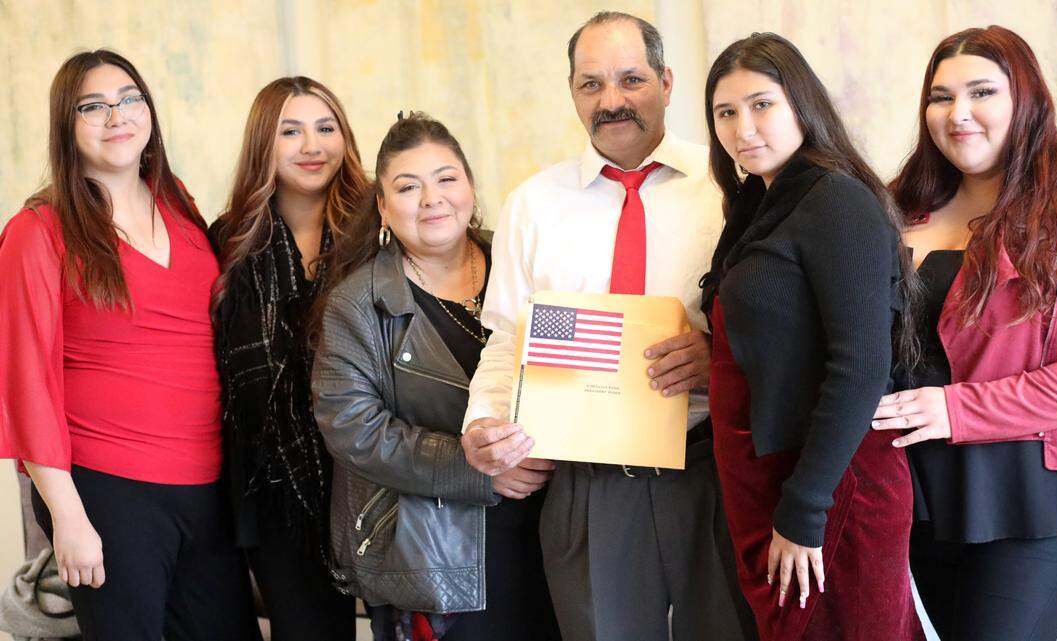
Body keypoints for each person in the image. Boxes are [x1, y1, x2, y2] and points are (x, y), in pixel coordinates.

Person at [459, 12, 755, 641]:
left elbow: (783, 328)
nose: (612, 101)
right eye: (591, 84)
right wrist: (482, 426)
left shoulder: (732, 186)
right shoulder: (532, 205)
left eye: (631, 79)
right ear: (571, 91)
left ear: (668, 82)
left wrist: (720, 357)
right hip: (586, 485)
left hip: (712, 470)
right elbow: (507, 340)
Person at [876, 25, 1057, 641]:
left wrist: (957, 408)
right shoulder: (895, 208)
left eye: (981, 92)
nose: (957, 114)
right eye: (940, 97)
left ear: (1026, 101)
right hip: (923, 488)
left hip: (1038, 488)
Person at [0, 50, 260, 641]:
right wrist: (68, 518)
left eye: (129, 98)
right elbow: (25, 381)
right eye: (92, 106)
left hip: (206, 482)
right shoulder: (38, 230)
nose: (115, 115)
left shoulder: (179, 203)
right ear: (66, 125)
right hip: (108, 486)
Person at [699, 32, 925, 641]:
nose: (744, 127)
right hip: (772, 482)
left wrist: (805, 510)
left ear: (802, 103)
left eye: (761, 104)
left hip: (832, 484)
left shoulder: (836, 200)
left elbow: (858, 367)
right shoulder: (757, 206)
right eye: (726, 112)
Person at [311, 112, 561, 641]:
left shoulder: (523, 262)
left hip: (552, 525)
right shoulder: (357, 304)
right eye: (408, 186)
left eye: (447, 179)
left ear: (470, 187)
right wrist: (477, 471)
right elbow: (352, 429)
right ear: (382, 205)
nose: (432, 198)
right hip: (435, 547)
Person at [210, 76, 368, 641]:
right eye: (291, 131)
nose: (312, 146)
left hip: (374, 472)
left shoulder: (378, 231)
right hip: (275, 487)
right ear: (263, 145)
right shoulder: (228, 240)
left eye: (326, 128)